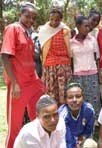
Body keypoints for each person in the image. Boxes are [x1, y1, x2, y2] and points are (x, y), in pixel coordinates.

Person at [0, 2, 45, 147]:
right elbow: (5, 56)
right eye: (27, 16)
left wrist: (38, 81)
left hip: (33, 82)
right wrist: (14, 84)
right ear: (20, 14)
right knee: (15, 126)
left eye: (33, 18)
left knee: (38, 118)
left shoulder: (28, 33)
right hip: (19, 84)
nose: (30, 20)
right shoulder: (13, 28)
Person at [70, 15, 102, 119]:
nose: (88, 29)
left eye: (89, 26)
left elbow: (96, 57)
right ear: (78, 27)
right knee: (80, 98)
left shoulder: (92, 39)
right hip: (78, 75)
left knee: (94, 98)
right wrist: (71, 74)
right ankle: (81, 119)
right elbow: (71, 60)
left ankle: (95, 120)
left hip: (92, 73)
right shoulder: (71, 42)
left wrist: (99, 73)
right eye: (86, 26)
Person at [38, 7, 72, 106]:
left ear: (61, 19)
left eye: (57, 20)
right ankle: (52, 111)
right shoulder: (44, 31)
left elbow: (69, 49)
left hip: (63, 66)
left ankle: (64, 113)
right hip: (49, 67)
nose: (54, 22)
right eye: (51, 19)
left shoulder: (65, 30)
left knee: (64, 91)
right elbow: (42, 50)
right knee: (51, 92)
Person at [58, 82, 95, 148]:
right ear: (66, 100)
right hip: (65, 141)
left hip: (81, 139)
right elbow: (67, 138)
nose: (74, 100)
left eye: (78, 96)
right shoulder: (62, 115)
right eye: (70, 97)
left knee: (90, 144)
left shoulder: (89, 110)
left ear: (83, 98)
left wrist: (82, 138)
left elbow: (89, 130)